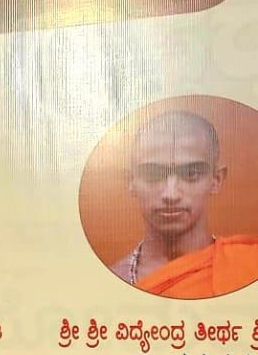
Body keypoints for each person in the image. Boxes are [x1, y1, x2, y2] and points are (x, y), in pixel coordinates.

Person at [107, 110, 258, 297]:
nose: (171, 194)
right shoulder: (108, 283)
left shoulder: (250, 266)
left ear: (216, 180)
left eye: (191, 174)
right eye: (153, 174)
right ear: (131, 181)